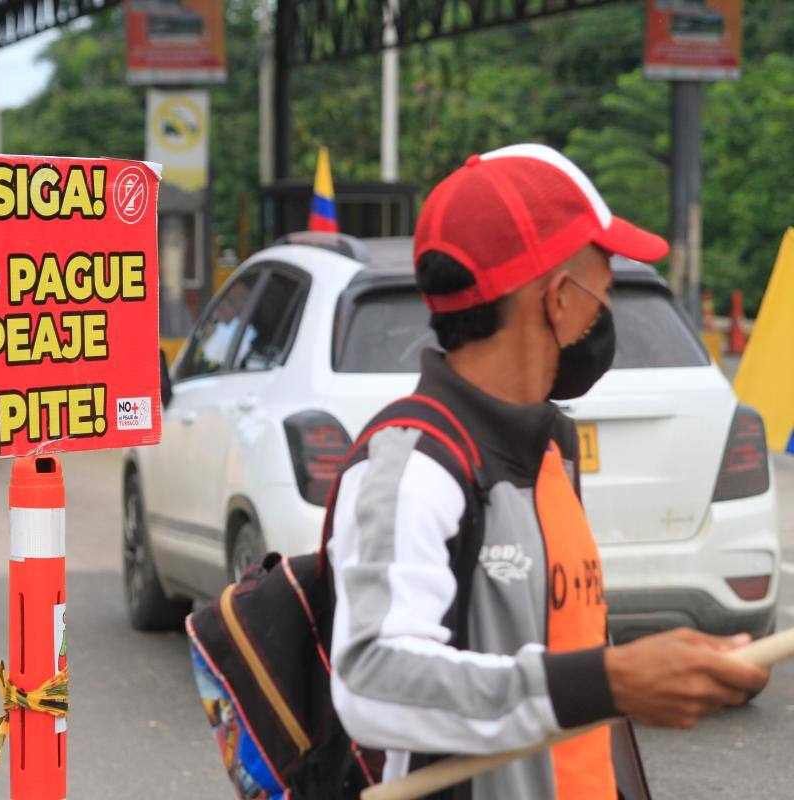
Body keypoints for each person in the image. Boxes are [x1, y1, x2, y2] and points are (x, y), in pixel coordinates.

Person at [327, 144, 769, 799]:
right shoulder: (414, 463)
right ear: (559, 298)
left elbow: (564, 664)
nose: (607, 309)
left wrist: (652, 670)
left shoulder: (550, 448)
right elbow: (372, 679)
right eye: (605, 283)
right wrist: (610, 681)